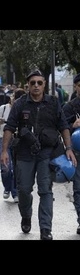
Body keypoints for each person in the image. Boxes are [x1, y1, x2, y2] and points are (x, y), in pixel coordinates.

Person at [1, 69, 76, 240]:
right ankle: (26, 216)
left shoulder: (53, 102)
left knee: (45, 191)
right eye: (32, 83)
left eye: (39, 83)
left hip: (46, 153)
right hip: (25, 153)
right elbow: (9, 127)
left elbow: (63, 126)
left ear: (44, 85)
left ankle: (45, 229)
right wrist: (4, 151)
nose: (36, 86)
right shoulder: (20, 104)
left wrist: (68, 148)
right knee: (24, 190)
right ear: (28, 85)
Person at [0, 89, 27, 203]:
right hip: (5, 140)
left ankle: (15, 192)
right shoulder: (3, 108)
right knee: (6, 168)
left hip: (18, 141)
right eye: (15, 98)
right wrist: (2, 121)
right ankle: (7, 188)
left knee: (16, 168)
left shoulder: (23, 109)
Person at [62, 72, 80, 235]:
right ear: (75, 87)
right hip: (77, 154)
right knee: (79, 188)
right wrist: (73, 125)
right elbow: (62, 127)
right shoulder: (70, 107)